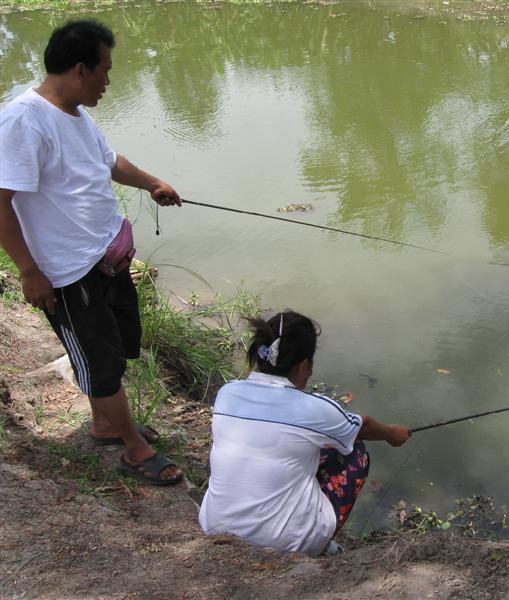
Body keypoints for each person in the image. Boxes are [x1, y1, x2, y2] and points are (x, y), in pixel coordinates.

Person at [0, 20, 183, 485]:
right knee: (99, 363)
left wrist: (152, 183)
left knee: (118, 347)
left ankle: (105, 424)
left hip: (105, 258)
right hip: (67, 274)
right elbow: (0, 202)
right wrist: (28, 271)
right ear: (80, 69)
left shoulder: (76, 114)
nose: (108, 80)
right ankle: (134, 450)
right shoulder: (23, 121)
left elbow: (109, 160)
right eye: (104, 69)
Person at [198, 311, 411, 556]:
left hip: (214, 527)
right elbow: (363, 427)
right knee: (356, 452)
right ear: (303, 366)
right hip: (286, 544)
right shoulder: (315, 409)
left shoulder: (227, 393)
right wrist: (393, 433)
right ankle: (318, 541)